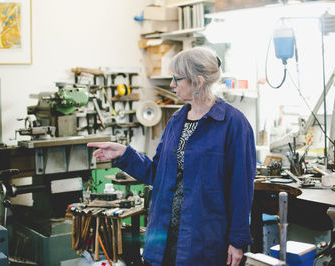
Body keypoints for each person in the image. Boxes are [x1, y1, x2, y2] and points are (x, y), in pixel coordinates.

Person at [87, 47, 256, 266]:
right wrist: (124, 153)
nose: (172, 85)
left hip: (203, 241)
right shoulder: (177, 120)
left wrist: (238, 241)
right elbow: (158, 173)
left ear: (198, 81)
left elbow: (241, 189)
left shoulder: (233, 123)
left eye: (177, 79)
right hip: (163, 238)